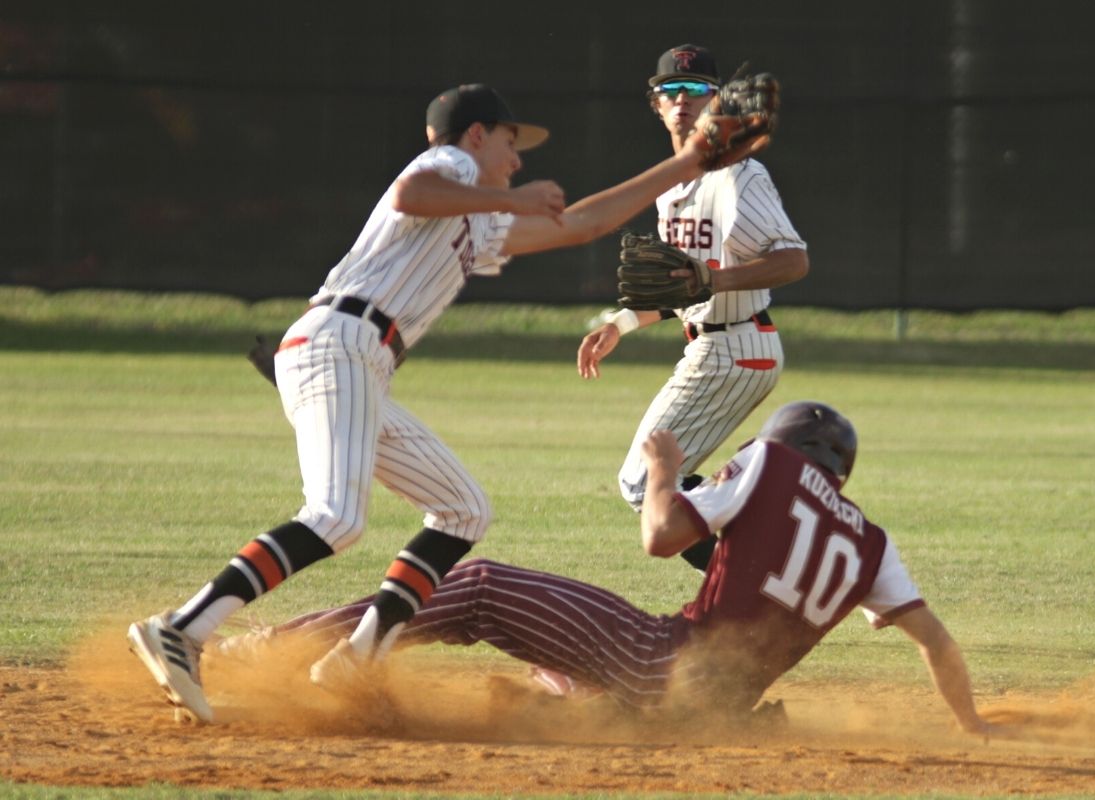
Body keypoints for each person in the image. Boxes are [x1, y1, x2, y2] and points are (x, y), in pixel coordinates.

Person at [128, 83, 758, 724]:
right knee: (335, 517)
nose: (517, 159)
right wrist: (509, 196)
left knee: (462, 509)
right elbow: (410, 193)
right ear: (476, 135)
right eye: (511, 143)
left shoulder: (474, 219)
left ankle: (358, 655)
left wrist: (689, 164)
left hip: (361, 359)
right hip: (341, 341)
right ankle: (183, 628)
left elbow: (582, 224)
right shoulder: (453, 166)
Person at [222, 402, 992, 735]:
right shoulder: (872, 543)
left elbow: (659, 536)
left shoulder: (770, 464)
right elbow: (938, 645)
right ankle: (565, 699)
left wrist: (664, 469)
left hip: (660, 666)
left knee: (481, 587)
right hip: (713, 712)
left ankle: (272, 651)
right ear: (844, 473)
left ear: (786, 444)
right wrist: (971, 724)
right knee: (551, 664)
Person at [576, 44, 810, 572]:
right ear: (655, 104)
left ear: (716, 102)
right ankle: (769, 561)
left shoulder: (740, 177)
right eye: (671, 91)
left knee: (644, 482)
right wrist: (621, 323)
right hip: (716, 346)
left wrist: (715, 278)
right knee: (658, 482)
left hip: (736, 344)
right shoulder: (669, 186)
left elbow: (794, 261)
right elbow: (681, 286)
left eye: (697, 90)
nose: (683, 100)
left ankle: (764, 576)